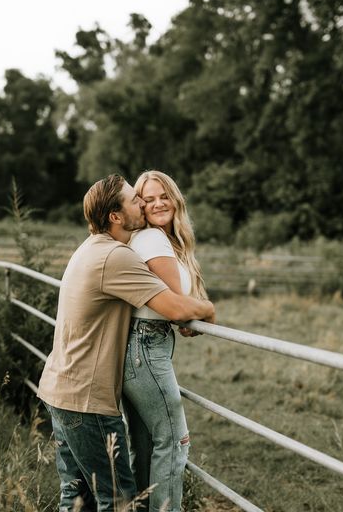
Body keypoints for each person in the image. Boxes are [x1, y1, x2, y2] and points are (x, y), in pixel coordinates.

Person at [37, 173, 215, 512]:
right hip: (86, 401)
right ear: (116, 216)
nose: (144, 206)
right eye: (137, 200)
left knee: (77, 500)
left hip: (61, 390)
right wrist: (208, 308)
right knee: (119, 502)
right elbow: (175, 307)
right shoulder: (115, 257)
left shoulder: (93, 248)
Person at [122, 170, 208, 512]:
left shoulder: (159, 240)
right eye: (148, 198)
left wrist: (191, 309)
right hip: (145, 346)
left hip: (139, 346)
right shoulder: (152, 239)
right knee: (174, 441)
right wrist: (207, 311)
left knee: (145, 444)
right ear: (139, 206)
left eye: (163, 195)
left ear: (175, 198)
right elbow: (175, 302)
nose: (157, 203)